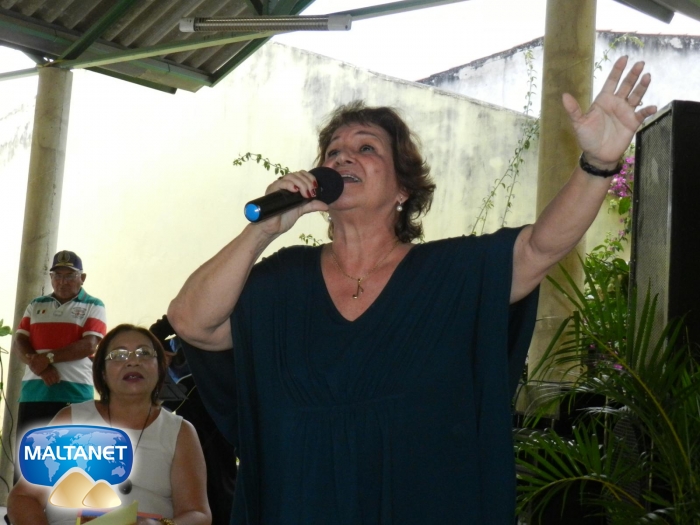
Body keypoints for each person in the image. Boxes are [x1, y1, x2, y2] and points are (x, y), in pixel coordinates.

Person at [167, 56, 656, 524]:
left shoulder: (447, 274)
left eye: (366, 148)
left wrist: (597, 163)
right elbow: (190, 322)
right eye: (332, 152)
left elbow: (540, 247)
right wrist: (262, 231)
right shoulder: (282, 280)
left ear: (403, 189)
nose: (342, 157)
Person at [7, 324, 212, 525]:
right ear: (102, 372)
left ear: (160, 368)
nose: (133, 362)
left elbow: (197, 513)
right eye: (118, 355)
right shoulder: (72, 420)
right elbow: (24, 497)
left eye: (144, 353)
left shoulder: (179, 432)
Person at [12, 251, 107, 448]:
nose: (62, 282)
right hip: (34, 394)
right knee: (29, 458)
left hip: (75, 395)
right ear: (51, 278)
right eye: (57, 276)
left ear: (82, 278)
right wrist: (42, 368)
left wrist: (47, 358)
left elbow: (89, 345)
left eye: (70, 276)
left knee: (71, 458)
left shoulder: (94, 305)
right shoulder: (36, 304)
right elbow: (19, 341)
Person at [150, 315, 237, 525]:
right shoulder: (191, 314)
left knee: (221, 477)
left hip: (223, 403)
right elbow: (159, 330)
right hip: (193, 402)